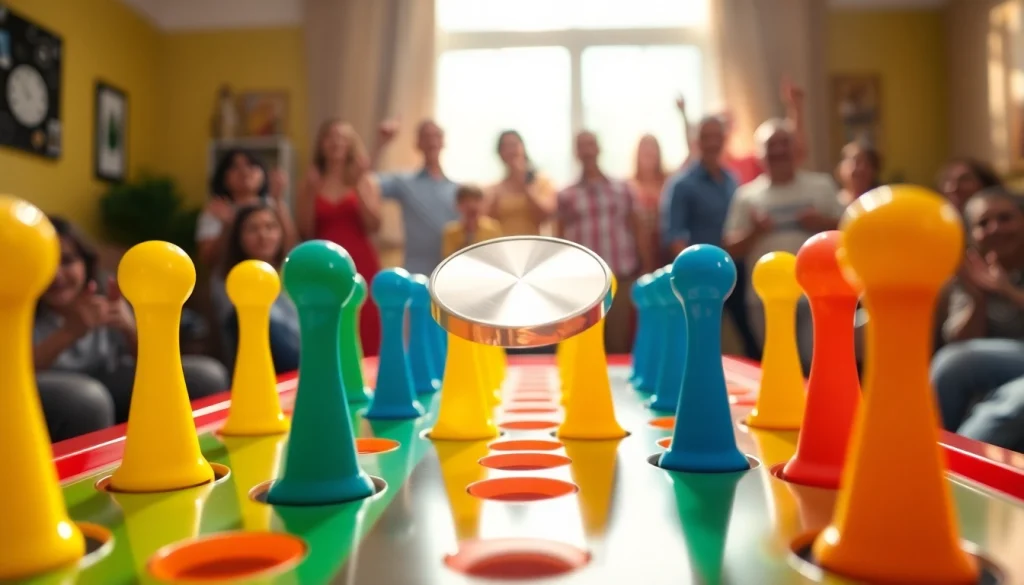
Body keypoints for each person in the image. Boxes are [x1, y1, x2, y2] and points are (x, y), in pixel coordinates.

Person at [35, 217, 229, 442]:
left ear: (85, 263)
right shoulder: (17, 303)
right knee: (87, 398)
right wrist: (70, 332)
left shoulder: (107, 291)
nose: (57, 275)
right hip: (53, 393)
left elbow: (152, 363)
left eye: (67, 261)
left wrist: (130, 328)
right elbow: (18, 372)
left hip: (110, 379)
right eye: (48, 262)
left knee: (207, 374)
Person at [723, 119, 844, 371]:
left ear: (795, 148)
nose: (778, 150)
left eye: (784, 143)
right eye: (771, 145)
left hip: (817, 295)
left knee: (817, 367)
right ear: (760, 154)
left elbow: (847, 231)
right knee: (779, 368)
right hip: (764, 299)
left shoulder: (821, 185)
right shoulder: (746, 196)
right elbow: (729, 249)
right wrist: (754, 233)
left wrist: (821, 222)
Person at [931, 188, 1024, 451]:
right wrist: (977, 298)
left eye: (1005, 218)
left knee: (1017, 400)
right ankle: (927, 451)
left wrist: (1007, 290)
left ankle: (954, 470)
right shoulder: (972, 270)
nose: (996, 228)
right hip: (1002, 364)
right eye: (983, 223)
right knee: (953, 361)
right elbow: (959, 342)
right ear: (972, 234)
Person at [660, 115, 759, 359]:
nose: (713, 142)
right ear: (697, 141)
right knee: (698, 346)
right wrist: (690, 279)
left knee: (750, 341)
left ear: (724, 139)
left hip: (735, 274)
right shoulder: (682, 184)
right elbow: (675, 238)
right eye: (707, 137)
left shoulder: (731, 180)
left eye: (718, 136)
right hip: (700, 280)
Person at [556, 130, 654, 354]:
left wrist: (646, 267)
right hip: (582, 283)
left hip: (621, 276)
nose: (588, 150)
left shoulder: (623, 188)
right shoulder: (566, 195)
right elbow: (560, 238)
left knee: (618, 344)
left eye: (591, 144)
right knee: (586, 346)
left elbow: (638, 227)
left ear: (599, 148)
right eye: (582, 146)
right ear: (576, 153)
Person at [297, 120, 382, 355]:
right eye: (331, 137)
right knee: (329, 331)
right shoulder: (310, 183)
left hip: (362, 264)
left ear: (351, 145)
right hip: (325, 267)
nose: (336, 142)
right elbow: (305, 231)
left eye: (343, 137)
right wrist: (311, 192)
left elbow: (374, 225)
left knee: (365, 331)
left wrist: (358, 189)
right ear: (321, 144)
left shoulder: (365, 180)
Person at [212, 202, 299, 374]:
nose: (263, 235)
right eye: (252, 229)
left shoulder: (291, 273)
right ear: (238, 237)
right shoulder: (227, 277)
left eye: (270, 227)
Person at [375, 120, 460, 276]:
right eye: (426, 136)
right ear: (418, 143)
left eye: (436, 136)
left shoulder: (457, 190)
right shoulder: (404, 183)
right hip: (416, 275)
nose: (432, 141)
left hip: (449, 275)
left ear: (443, 142)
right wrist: (381, 144)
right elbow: (368, 184)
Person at [196, 149, 298, 270]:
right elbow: (207, 259)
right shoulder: (216, 210)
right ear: (223, 177)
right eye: (234, 167)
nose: (244, 171)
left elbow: (292, 249)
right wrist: (227, 225)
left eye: (251, 165)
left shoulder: (274, 205)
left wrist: (279, 202)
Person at [485, 130, 557, 236]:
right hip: (504, 247)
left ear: (523, 148)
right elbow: (487, 221)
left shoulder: (542, 182)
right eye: (506, 147)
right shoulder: (494, 189)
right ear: (500, 154)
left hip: (534, 245)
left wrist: (525, 186)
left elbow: (546, 215)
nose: (511, 151)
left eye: (514, 145)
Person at [630, 134, 668, 263]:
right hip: (639, 252)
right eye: (645, 149)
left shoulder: (669, 182)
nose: (649, 153)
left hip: (666, 247)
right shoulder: (629, 186)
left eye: (652, 149)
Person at [443, 185, 503, 259]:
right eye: (466, 201)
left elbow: (498, 255)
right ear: (458, 206)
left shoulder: (492, 228)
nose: (472, 205)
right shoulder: (451, 231)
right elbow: (448, 259)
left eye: (476, 200)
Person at [835, 141, 882, 207]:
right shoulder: (831, 203)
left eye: (860, 162)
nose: (856, 169)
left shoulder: (880, 202)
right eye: (850, 161)